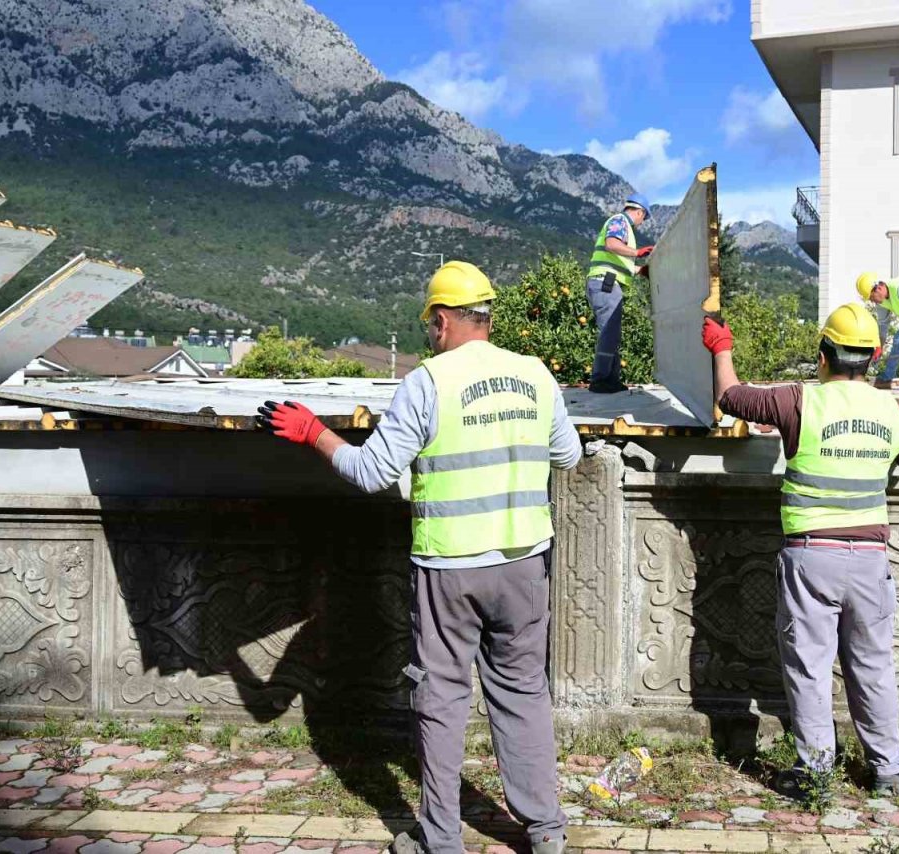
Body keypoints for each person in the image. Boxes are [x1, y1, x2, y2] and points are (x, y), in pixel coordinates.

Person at [257, 260, 581, 854]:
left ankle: (441, 839)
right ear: (485, 314)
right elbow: (568, 454)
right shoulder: (535, 374)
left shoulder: (427, 382)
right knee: (523, 693)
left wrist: (313, 433)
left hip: (449, 570)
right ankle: (546, 830)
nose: (429, 335)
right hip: (523, 566)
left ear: (440, 320)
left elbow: (373, 469)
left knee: (442, 699)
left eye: (429, 325)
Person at [700, 303, 899, 796]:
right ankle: (889, 769)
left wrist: (722, 348)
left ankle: (817, 770)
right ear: (870, 358)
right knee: (873, 665)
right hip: (869, 559)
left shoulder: (799, 402)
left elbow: (732, 397)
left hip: (811, 556)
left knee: (808, 665)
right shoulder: (890, 407)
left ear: (823, 355)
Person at [584, 192, 654, 394]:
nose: (642, 223)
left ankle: (610, 380)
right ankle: (601, 380)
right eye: (644, 217)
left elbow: (620, 262)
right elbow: (612, 244)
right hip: (605, 283)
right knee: (609, 333)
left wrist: (641, 270)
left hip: (607, 283)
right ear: (640, 212)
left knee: (612, 333)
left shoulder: (623, 226)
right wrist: (638, 252)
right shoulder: (620, 221)